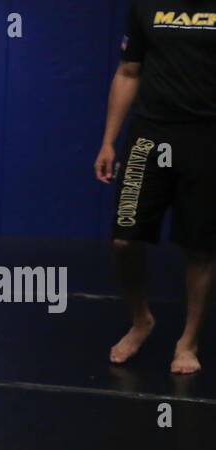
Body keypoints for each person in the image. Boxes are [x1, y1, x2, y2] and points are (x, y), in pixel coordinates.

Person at [95, 1, 216, 374]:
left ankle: (188, 340)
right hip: (150, 135)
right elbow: (129, 71)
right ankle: (141, 319)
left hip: (208, 137)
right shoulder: (145, 5)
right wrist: (108, 141)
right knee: (124, 239)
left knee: (201, 247)